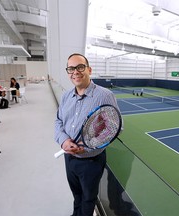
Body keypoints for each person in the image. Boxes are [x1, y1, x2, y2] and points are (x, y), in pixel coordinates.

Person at [54, 53, 122, 216]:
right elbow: (58, 122)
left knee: (88, 199)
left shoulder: (104, 95)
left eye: (80, 67)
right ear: (68, 72)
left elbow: (114, 128)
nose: (75, 72)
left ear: (89, 69)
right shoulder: (65, 96)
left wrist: (87, 146)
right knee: (77, 195)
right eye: (71, 68)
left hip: (91, 161)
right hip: (69, 157)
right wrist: (63, 141)